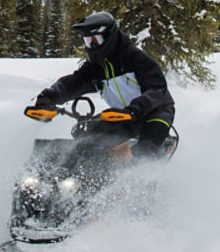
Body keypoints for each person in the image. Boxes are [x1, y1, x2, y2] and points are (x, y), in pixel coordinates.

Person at [28, 11, 175, 161]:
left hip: (155, 113)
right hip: (122, 116)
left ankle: (139, 182)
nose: (92, 46)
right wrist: (49, 97)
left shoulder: (134, 58)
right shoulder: (95, 67)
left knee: (144, 153)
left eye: (95, 40)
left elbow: (157, 89)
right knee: (88, 141)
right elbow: (73, 83)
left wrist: (137, 108)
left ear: (109, 37)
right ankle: (76, 179)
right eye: (88, 41)